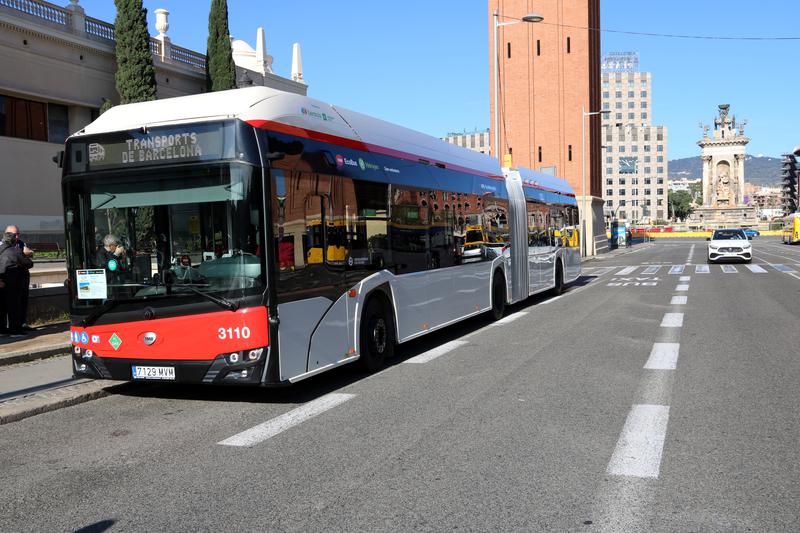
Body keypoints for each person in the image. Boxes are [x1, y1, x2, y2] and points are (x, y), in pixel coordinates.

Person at [0, 231, 34, 337]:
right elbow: (29, 264)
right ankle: (15, 331)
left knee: (2, 308)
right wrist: (26, 254)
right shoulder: (15, 251)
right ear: (14, 241)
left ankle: (2, 330)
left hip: (1, 282)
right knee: (14, 307)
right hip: (13, 284)